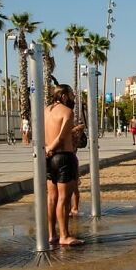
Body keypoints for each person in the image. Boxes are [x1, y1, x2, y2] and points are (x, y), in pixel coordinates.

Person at [44, 84, 85, 245]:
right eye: (72, 95)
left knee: (51, 197)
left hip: (48, 158)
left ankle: (51, 234)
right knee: (63, 198)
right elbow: (61, 137)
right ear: (64, 96)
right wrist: (52, 149)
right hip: (63, 156)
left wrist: (46, 151)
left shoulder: (45, 111)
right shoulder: (67, 112)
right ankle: (64, 236)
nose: (74, 98)